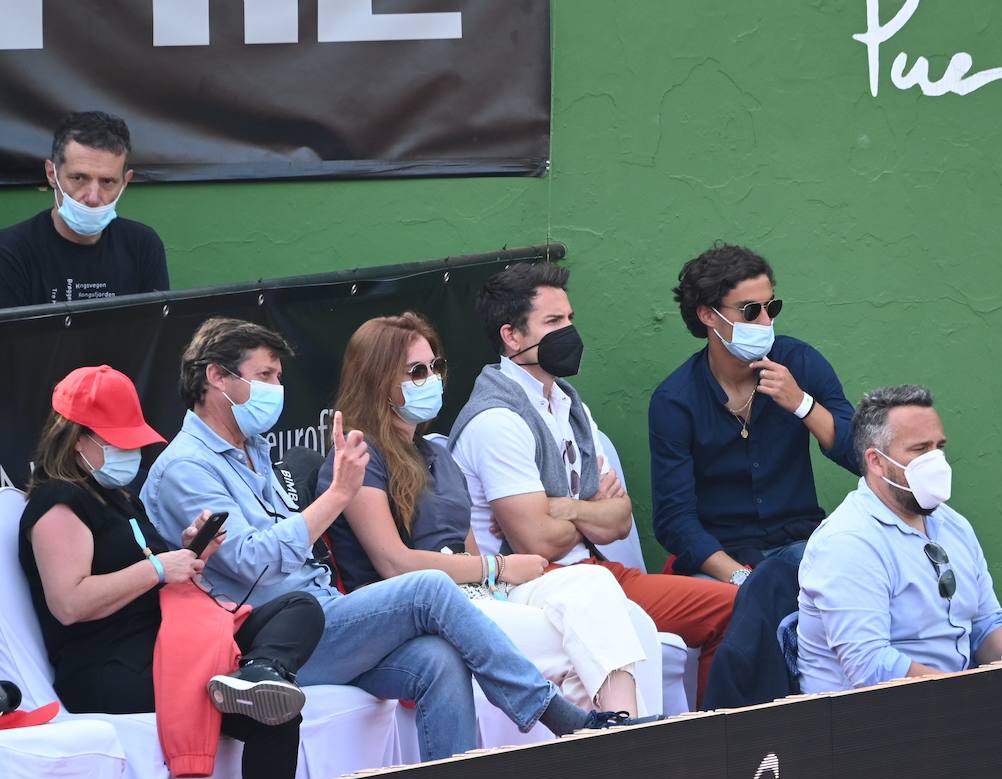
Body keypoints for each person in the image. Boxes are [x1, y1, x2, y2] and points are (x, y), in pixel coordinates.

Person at [141, 318, 638, 764]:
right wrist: (336, 496)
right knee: (428, 589)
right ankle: (554, 713)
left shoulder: (255, 451)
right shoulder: (187, 469)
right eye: (265, 376)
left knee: (439, 661)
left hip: (324, 617)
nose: (277, 388)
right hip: (266, 644)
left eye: (278, 376)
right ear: (216, 377)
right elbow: (252, 564)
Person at [319, 312, 656, 717]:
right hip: (420, 612)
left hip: (484, 593)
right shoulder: (358, 458)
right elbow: (395, 564)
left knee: (605, 594)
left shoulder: (437, 454)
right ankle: (619, 742)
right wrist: (499, 567)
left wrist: (496, 574)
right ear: (378, 381)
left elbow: (469, 551)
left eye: (436, 366)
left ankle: (622, 732)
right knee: (586, 644)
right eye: (417, 371)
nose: (433, 378)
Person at [20, 365, 322, 779]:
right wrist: (159, 568)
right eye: (118, 442)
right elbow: (69, 603)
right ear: (76, 440)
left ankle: (257, 675)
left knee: (299, 607)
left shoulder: (115, 497)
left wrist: (189, 549)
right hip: (112, 666)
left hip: (171, 643)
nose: (131, 453)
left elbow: (149, 565)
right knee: (275, 717)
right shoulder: (59, 501)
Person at [450, 262, 737, 707]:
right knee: (725, 608)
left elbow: (620, 519)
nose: (569, 331)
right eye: (553, 322)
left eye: (570, 319)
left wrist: (565, 508)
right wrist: (588, 511)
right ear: (512, 337)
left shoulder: (567, 402)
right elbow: (537, 541)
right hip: (538, 587)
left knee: (733, 606)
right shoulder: (496, 420)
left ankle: (714, 737)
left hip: (598, 572)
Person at [650, 243, 859, 583]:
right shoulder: (675, 400)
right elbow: (674, 520)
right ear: (707, 315)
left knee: (845, 584)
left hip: (802, 546)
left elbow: (859, 454)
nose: (765, 321)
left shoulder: (800, 363)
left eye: (771, 307)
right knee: (724, 609)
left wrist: (801, 403)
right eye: (750, 311)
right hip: (723, 559)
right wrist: (740, 578)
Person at [796, 385, 1002, 694]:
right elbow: (870, 666)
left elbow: (986, 623)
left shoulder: (954, 525)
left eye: (939, 447)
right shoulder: (848, 541)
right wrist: (973, 696)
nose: (936, 461)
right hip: (870, 723)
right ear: (876, 461)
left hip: (951, 708)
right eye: (920, 450)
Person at [0, 111, 169, 308]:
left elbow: (157, 333)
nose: (93, 198)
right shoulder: (10, 252)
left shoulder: (143, 246)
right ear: (51, 174)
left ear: (125, 182)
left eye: (107, 181)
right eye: (79, 178)